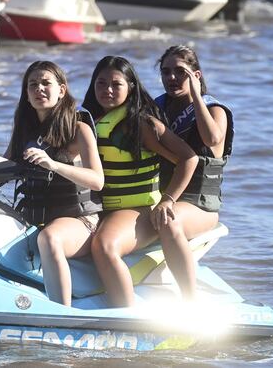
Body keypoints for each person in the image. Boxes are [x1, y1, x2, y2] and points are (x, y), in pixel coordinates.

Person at [0, 61, 104, 306]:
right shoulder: (25, 129)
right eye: (32, 84)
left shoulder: (78, 128)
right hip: (35, 217)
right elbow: (2, 169)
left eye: (46, 83)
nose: (39, 89)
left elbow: (97, 180)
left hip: (80, 221)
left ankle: (62, 313)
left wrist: (53, 165)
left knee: (50, 239)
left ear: (62, 90)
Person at [82, 56, 198, 307]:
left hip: (137, 209)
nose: (107, 90)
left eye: (116, 84)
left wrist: (168, 200)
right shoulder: (88, 121)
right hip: (99, 209)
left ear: (131, 87)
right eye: (101, 84)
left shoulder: (141, 123)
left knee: (104, 246)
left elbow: (189, 158)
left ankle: (126, 314)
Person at [153, 45, 234, 299]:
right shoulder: (159, 107)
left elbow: (212, 139)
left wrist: (197, 97)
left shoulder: (214, 110)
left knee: (169, 220)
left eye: (181, 72)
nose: (172, 78)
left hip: (199, 204)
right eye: (166, 72)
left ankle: (190, 300)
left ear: (196, 75)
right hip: (163, 197)